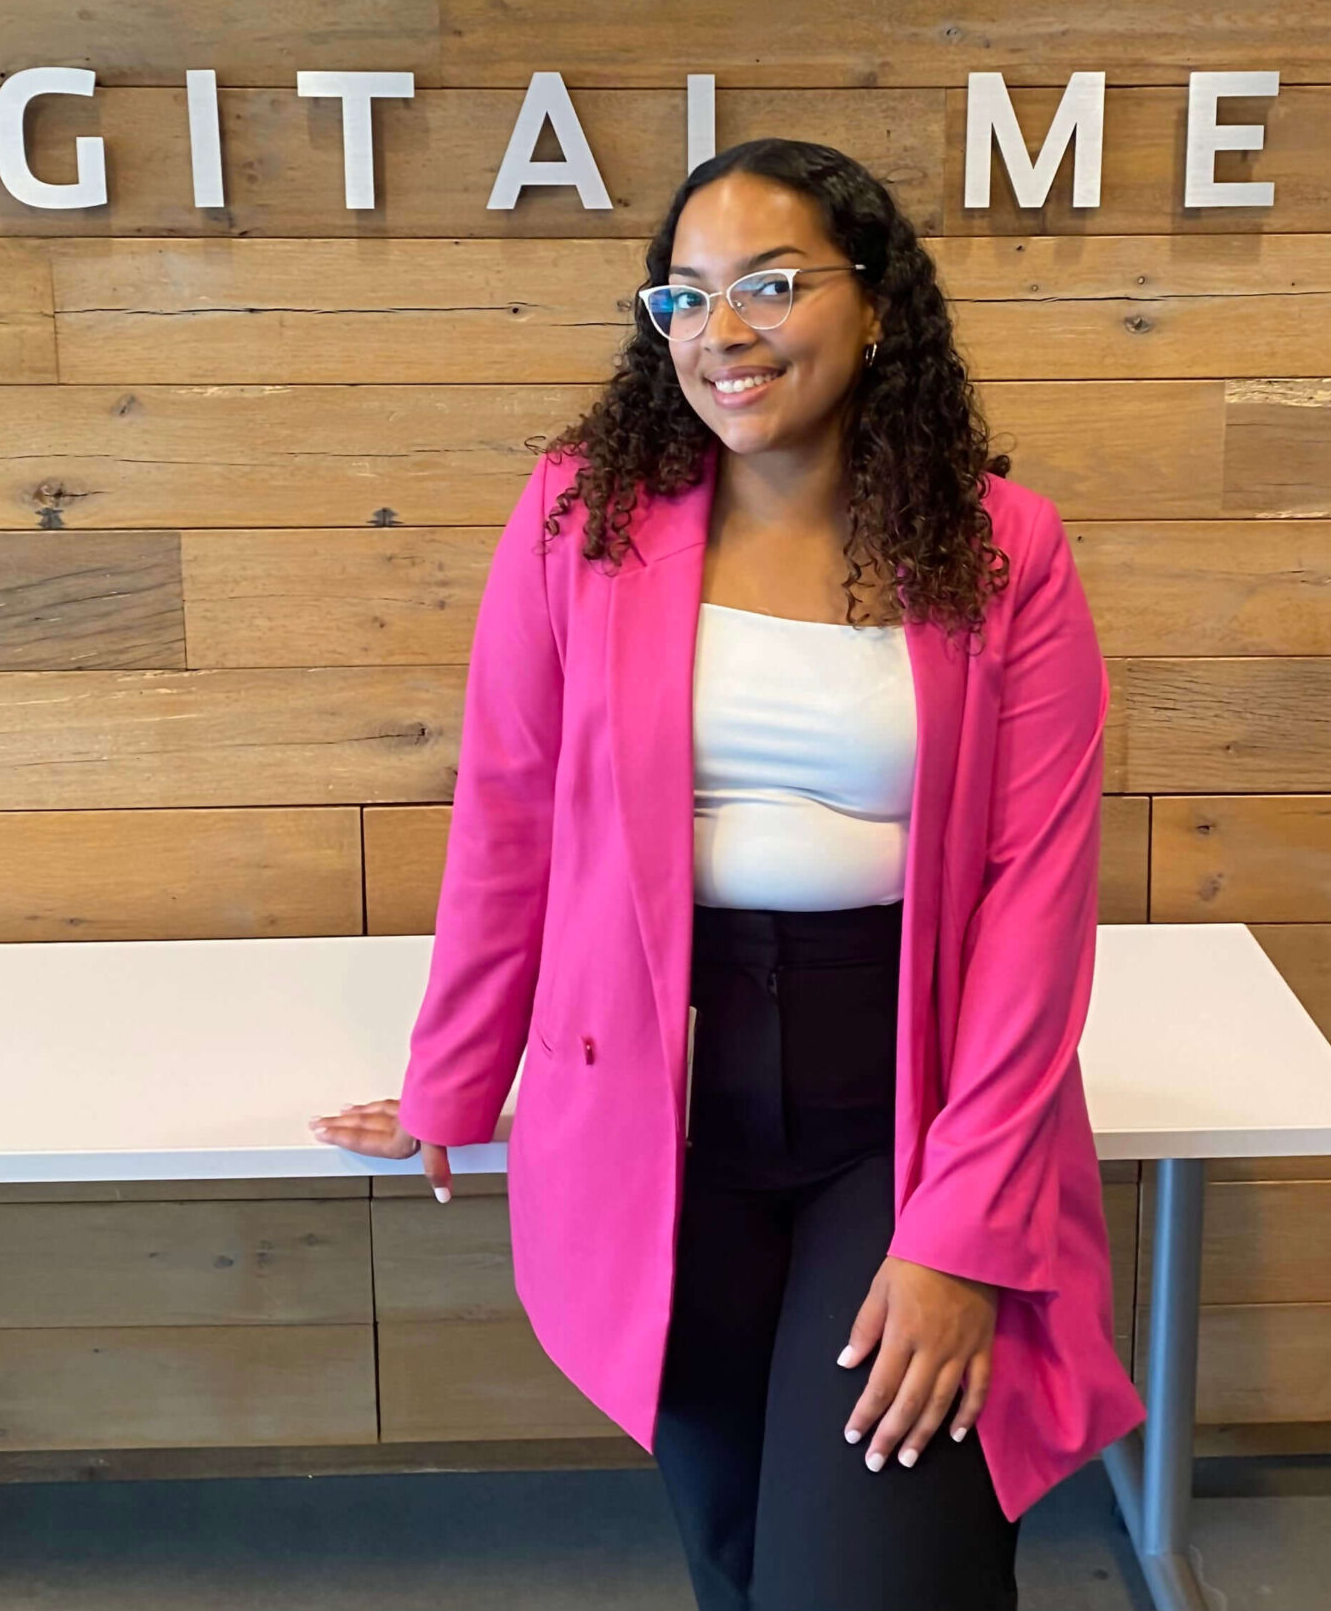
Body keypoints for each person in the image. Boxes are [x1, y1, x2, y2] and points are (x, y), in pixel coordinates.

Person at [313, 138, 1143, 1610]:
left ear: (877, 305)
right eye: (683, 298)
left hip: (899, 1095)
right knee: (744, 1554)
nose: (723, 332)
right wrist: (454, 1074)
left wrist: (958, 1237)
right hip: (651, 1106)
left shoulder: (998, 547)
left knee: (884, 1569)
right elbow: (510, 815)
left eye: (770, 284)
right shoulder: (586, 519)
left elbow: (1034, 900)